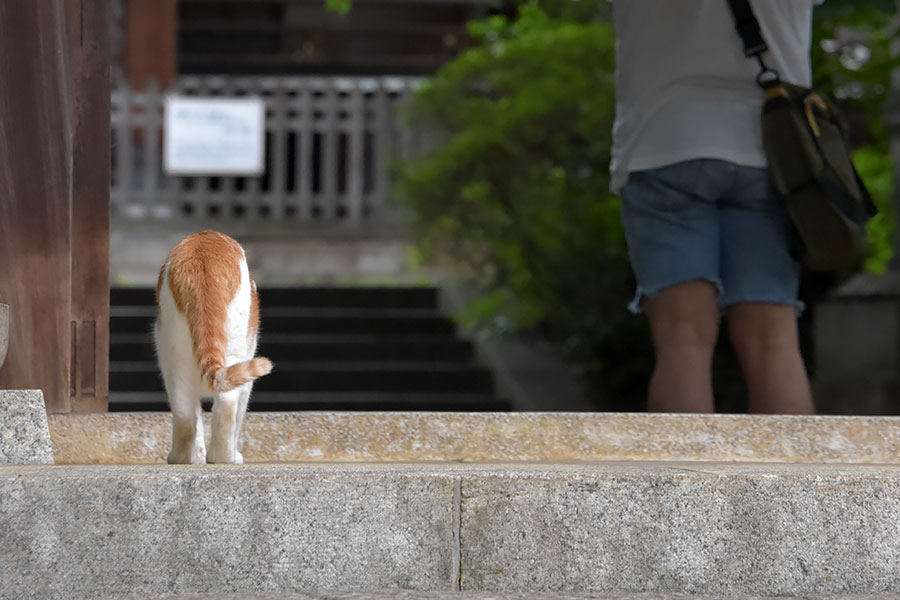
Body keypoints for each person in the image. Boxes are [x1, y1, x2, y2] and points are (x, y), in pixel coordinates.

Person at [610, 0, 819, 414]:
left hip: (665, 139)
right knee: (774, 340)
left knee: (682, 338)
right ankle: (800, 480)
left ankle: (687, 480)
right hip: (773, 148)